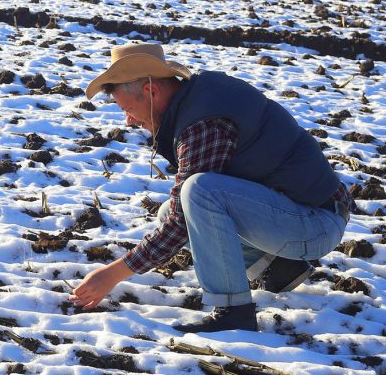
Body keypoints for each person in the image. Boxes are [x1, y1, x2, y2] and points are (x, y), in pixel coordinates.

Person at [68, 43, 353, 333]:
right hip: (300, 214)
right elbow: (180, 215)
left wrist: (111, 275)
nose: (128, 121)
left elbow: (184, 218)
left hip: (316, 223)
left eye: (127, 109)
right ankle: (276, 266)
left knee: (199, 192)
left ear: (150, 92)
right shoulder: (198, 100)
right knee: (172, 209)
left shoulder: (203, 123)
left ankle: (234, 312)